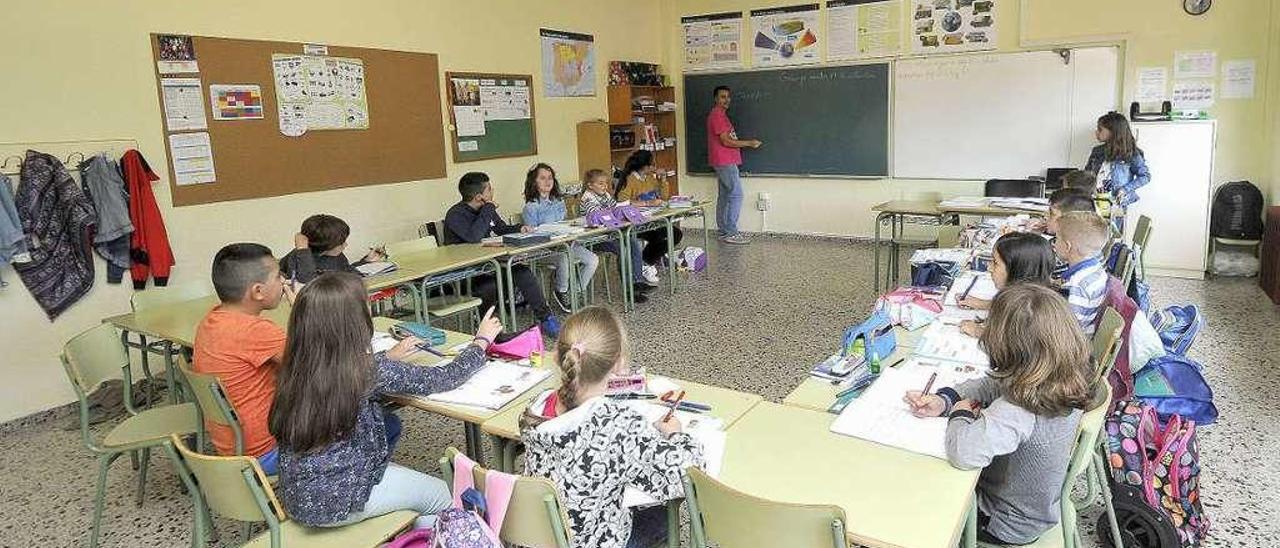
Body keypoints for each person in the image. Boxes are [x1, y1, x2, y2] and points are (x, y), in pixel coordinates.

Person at [270, 272, 502, 530]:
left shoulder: (295, 368)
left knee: (416, 496)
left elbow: (350, 375)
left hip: (298, 498)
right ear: (353, 322)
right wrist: (480, 342)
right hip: (343, 498)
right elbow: (444, 377)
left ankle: (416, 533)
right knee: (454, 497)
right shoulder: (367, 371)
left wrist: (387, 358)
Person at [906, 283, 1096, 545]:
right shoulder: (1062, 378)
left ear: (1005, 349)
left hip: (1004, 522)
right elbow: (991, 383)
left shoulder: (1017, 411)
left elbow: (963, 452)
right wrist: (946, 399)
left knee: (917, 494)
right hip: (1035, 507)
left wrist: (960, 415)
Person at [520, 307, 704, 548]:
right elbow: (686, 473)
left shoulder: (537, 406)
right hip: (596, 541)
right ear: (619, 364)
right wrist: (677, 434)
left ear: (559, 355)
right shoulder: (617, 425)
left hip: (545, 537)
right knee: (662, 515)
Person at [192, 243, 294, 474]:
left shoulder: (213, 319)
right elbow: (317, 365)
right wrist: (304, 310)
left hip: (233, 446)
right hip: (267, 452)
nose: (284, 282)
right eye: (279, 276)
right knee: (383, 425)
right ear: (257, 291)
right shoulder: (255, 330)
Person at [443, 171, 559, 336]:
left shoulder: (485, 209)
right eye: (489, 189)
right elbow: (474, 237)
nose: (493, 191)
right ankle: (487, 327)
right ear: (478, 197)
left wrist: (519, 228)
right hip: (467, 274)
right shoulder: (456, 214)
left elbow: (500, 228)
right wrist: (488, 207)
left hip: (489, 265)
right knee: (489, 286)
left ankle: (546, 318)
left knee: (522, 272)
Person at [522, 163, 599, 312]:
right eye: (542, 178)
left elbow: (565, 224)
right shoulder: (531, 207)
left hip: (566, 244)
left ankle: (575, 290)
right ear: (534, 182)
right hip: (545, 250)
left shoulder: (559, 201)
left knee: (592, 260)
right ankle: (561, 290)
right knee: (563, 258)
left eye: (550, 177)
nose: (547, 181)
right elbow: (533, 236)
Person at [958, 232, 1055, 338]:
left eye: (995, 262)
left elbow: (1011, 343)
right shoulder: (1033, 297)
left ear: (1019, 271)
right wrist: (983, 304)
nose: (989, 268)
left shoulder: (1028, 311)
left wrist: (979, 331)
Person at [579, 168, 654, 303]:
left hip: (609, 233)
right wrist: (613, 212)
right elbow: (599, 215)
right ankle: (629, 289)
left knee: (634, 242)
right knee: (623, 249)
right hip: (594, 238)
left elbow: (616, 208)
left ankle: (637, 281)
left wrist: (621, 211)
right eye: (601, 183)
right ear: (590, 185)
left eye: (606, 183)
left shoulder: (605, 195)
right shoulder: (587, 197)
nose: (605, 186)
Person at [706, 85, 762, 245]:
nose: (726, 100)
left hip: (723, 160)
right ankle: (731, 232)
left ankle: (724, 231)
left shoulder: (721, 115)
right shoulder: (717, 115)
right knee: (736, 195)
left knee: (725, 196)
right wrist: (749, 143)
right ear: (716, 99)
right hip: (724, 160)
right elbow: (726, 141)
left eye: (728, 97)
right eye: (723, 97)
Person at [616, 150, 682, 281]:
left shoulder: (649, 178)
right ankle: (643, 264)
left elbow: (664, 197)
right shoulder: (629, 179)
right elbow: (621, 203)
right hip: (633, 223)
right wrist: (646, 202)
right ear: (644, 166)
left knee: (675, 233)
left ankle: (645, 261)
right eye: (652, 165)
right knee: (658, 237)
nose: (654, 168)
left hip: (649, 219)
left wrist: (663, 180)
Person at [1085, 112, 1150, 232]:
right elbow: (1086, 175)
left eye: (1100, 129)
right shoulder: (1097, 151)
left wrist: (1124, 189)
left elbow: (1145, 176)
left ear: (1113, 132)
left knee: (1112, 239)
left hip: (1116, 205)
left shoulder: (1131, 154)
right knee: (1092, 238)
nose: (1096, 132)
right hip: (1094, 202)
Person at [280, 214, 385, 284]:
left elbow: (345, 272)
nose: (345, 245)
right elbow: (309, 283)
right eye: (341, 243)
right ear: (326, 246)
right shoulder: (299, 257)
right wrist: (302, 249)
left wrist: (365, 261)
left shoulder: (336, 256)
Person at [1053, 212, 1110, 336]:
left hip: (1073, 342)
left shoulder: (1076, 285)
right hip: (1085, 330)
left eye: (1056, 238)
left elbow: (1067, 330)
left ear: (1067, 246)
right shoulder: (1096, 268)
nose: (1054, 243)